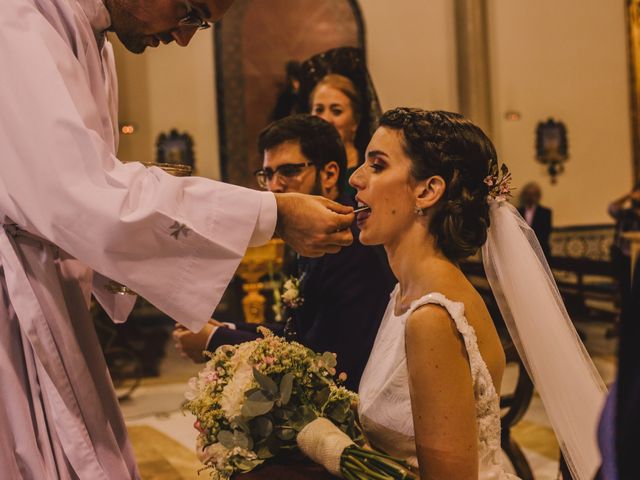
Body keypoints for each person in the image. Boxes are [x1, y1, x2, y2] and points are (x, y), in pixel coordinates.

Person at [0, 0, 355, 478]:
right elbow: (84, 198)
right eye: (190, 10)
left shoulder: (94, 37)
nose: (185, 36)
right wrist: (273, 213)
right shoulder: (16, 22)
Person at [298, 108, 606, 480]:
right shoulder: (404, 294)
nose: (355, 178)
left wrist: (333, 449)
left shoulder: (433, 317)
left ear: (428, 190)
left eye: (377, 166)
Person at [173, 114, 395, 393]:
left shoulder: (352, 242)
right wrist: (225, 326)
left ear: (329, 174)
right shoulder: (311, 236)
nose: (274, 187)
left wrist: (214, 339)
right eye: (267, 174)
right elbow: (296, 331)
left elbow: (320, 360)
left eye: (288, 171)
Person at [297, 47, 382, 198]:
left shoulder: (373, 171)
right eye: (319, 110)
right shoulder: (301, 172)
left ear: (355, 120)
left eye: (336, 111)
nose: (325, 119)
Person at [607, 182, 640, 321]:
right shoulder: (625, 213)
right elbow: (612, 207)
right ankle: (625, 318)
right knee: (624, 290)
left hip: (636, 258)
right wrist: (627, 196)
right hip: (623, 255)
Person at [518, 182, 552, 259]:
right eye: (528, 194)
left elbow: (545, 233)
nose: (530, 197)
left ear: (538, 196)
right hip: (521, 251)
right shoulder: (517, 212)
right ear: (524, 195)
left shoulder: (546, 213)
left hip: (540, 251)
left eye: (533, 194)